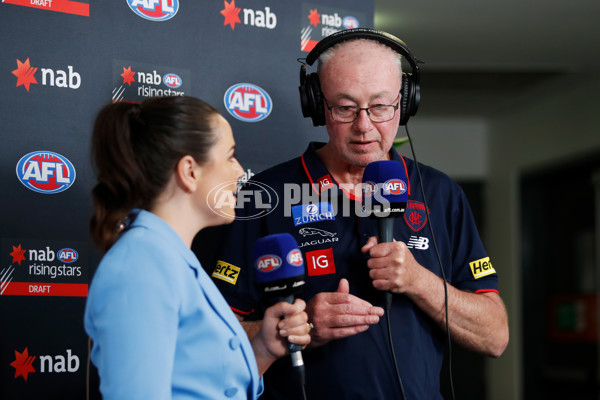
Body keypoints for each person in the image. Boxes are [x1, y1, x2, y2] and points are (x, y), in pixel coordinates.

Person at [202, 28, 509, 399]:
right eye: (345, 107)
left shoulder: (441, 194)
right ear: (316, 105)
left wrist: (417, 280)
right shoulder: (262, 196)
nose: (364, 126)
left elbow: (495, 336)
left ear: (405, 102)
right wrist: (301, 326)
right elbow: (212, 338)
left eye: (380, 106)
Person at [84, 96, 311, 400]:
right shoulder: (141, 263)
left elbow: (205, 387)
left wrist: (263, 350)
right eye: (230, 156)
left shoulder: (173, 258)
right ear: (190, 171)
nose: (239, 171)